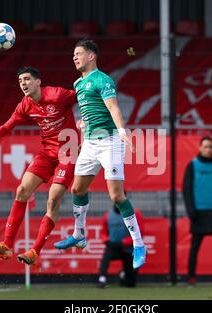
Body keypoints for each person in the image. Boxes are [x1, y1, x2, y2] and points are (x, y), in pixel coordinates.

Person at [53, 39, 146, 270]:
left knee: (117, 196)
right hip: (90, 143)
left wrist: (123, 131)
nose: (74, 57)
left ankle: (138, 244)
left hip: (110, 142)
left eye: (78, 53)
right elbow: (90, 110)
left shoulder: (103, 80)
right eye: (73, 54)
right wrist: (83, 125)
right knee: (77, 189)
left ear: (91, 56)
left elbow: (113, 107)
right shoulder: (78, 83)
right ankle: (79, 234)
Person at [0, 67, 79, 266]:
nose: (23, 84)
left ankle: (35, 251)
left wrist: (90, 119)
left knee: (53, 199)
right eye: (20, 81)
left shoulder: (57, 94)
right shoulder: (25, 104)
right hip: (46, 153)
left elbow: (83, 97)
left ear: (38, 82)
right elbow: (9, 125)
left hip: (68, 153)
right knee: (22, 190)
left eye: (27, 79)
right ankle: (7, 245)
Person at [182, 136, 212, 287]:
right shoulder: (192, 165)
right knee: (195, 247)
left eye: (210, 146)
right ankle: (191, 279)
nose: (208, 149)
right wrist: (191, 211)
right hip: (199, 213)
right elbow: (187, 190)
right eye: (205, 146)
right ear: (200, 147)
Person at [97, 196, 145, 288]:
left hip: (128, 249)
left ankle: (123, 274)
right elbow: (103, 232)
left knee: (131, 284)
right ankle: (102, 279)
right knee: (106, 257)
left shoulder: (135, 213)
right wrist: (107, 241)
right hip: (113, 246)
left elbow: (139, 233)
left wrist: (124, 242)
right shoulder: (108, 215)